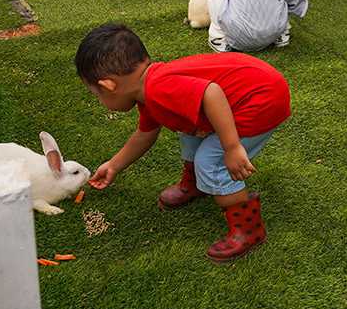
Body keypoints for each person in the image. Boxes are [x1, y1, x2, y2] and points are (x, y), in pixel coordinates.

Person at [78, 22, 289, 262]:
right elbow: (144, 134)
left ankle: (249, 230)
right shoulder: (149, 91)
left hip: (260, 100)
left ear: (108, 85)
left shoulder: (158, 88)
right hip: (254, 88)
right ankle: (196, 184)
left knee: (211, 162)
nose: (100, 101)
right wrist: (114, 165)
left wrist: (231, 148)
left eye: (97, 95)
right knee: (187, 131)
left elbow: (212, 93)